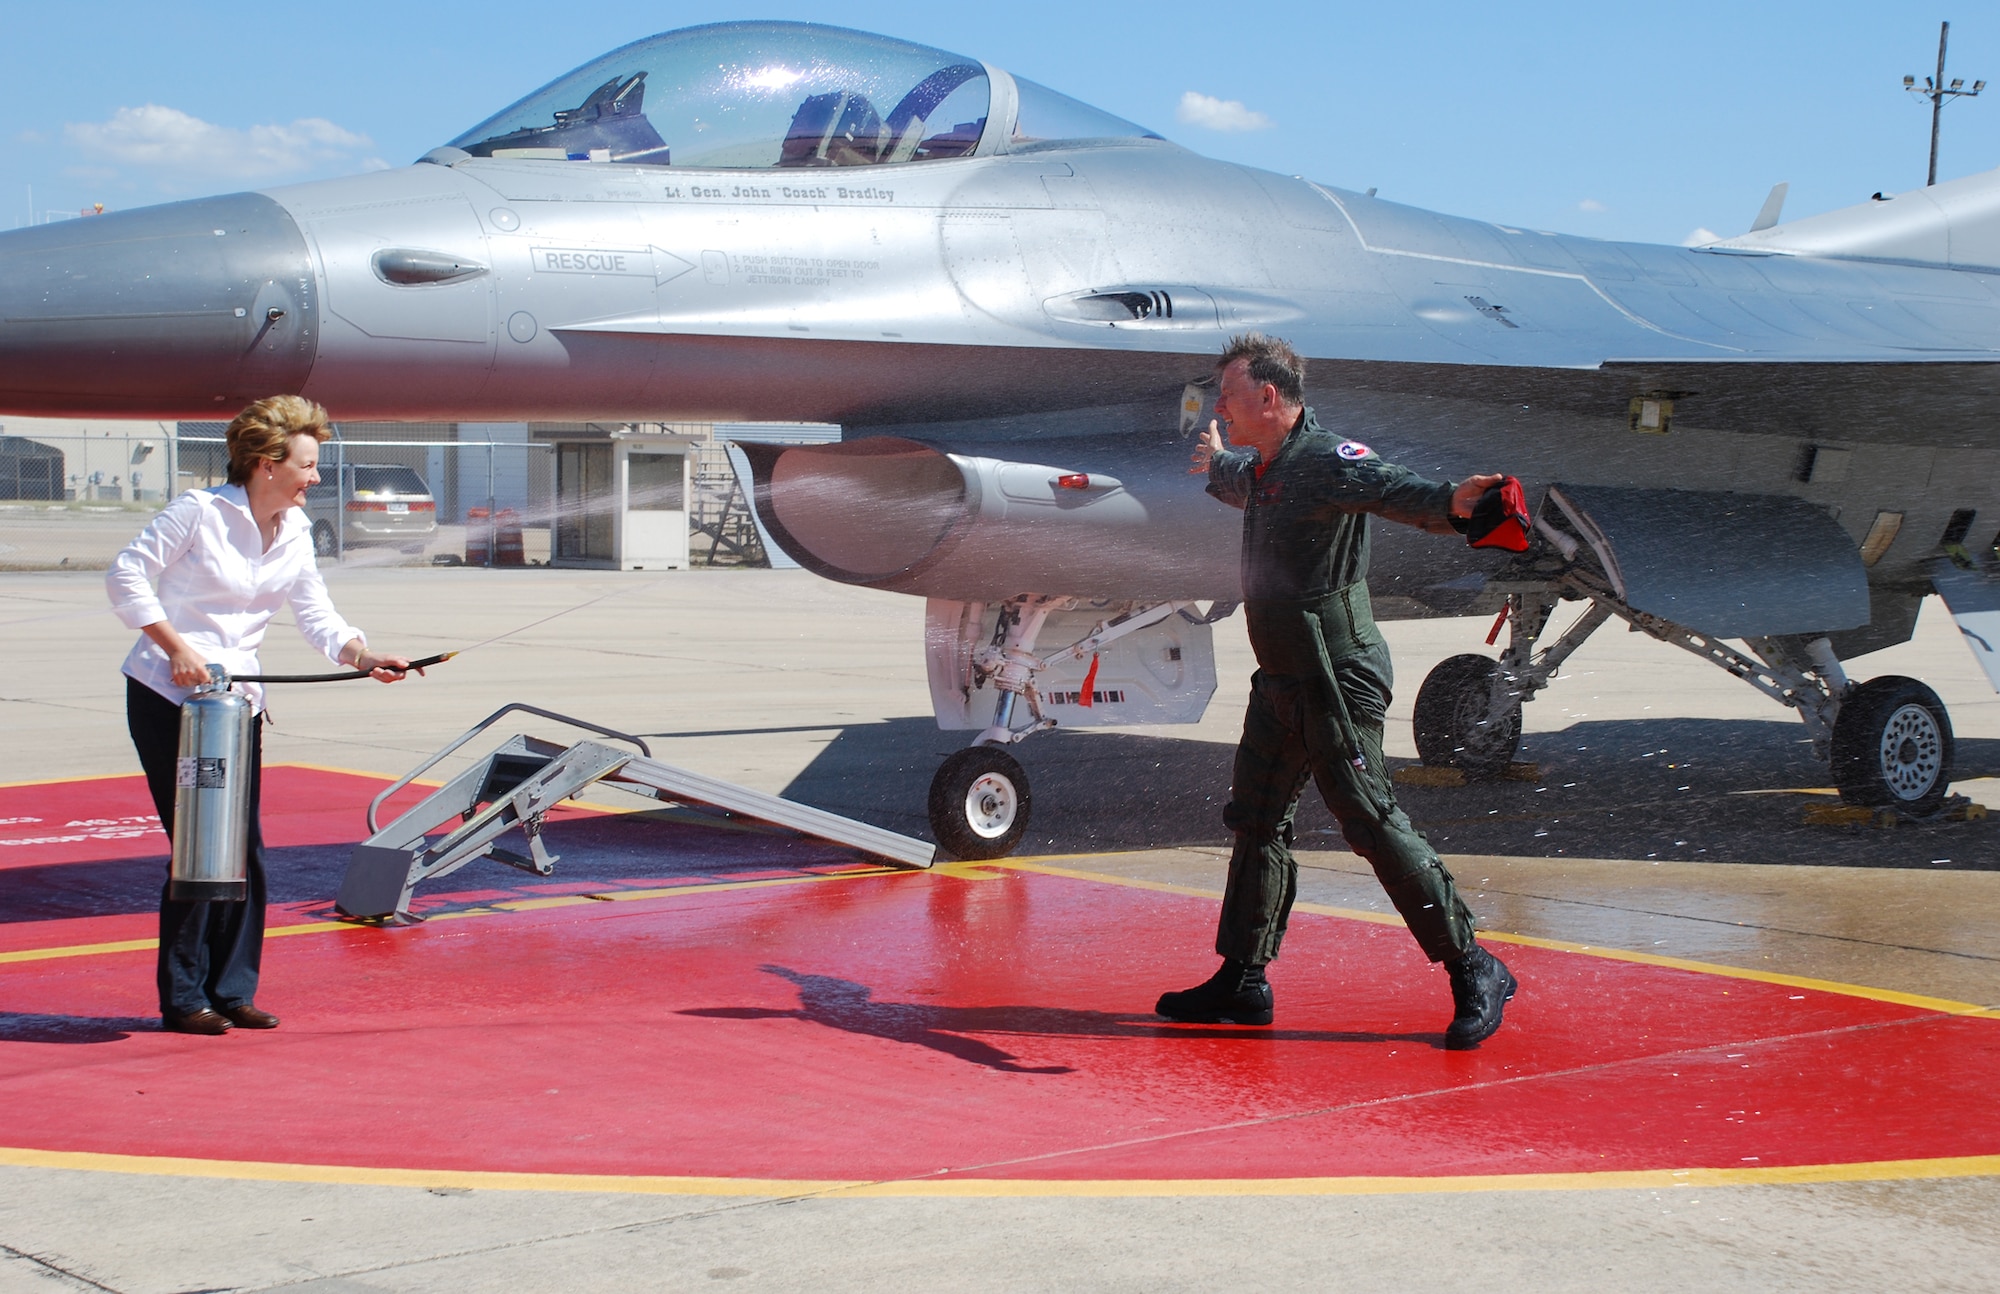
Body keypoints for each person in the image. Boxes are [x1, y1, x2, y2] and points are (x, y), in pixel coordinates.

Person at [1163, 333, 1518, 1049]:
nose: (1220, 404)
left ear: (1269, 397)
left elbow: (1397, 490)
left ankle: (1474, 965)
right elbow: (1248, 485)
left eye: (1230, 393)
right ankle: (1244, 979)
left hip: (1336, 675)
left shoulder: (1329, 460)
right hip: (1284, 677)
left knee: (1368, 817)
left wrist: (1452, 501)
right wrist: (1217, 466)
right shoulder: (1267, 465)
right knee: (1257, 818)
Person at [107, 396, 420, 1036]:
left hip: (235, 702)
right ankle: (185, 996)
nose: (316, 477)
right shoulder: (199, 513)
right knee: (199, 850)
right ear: (265, 463)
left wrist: (362, 656)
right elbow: (126, 577)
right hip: (170, 696)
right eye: (307, 464)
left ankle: (231, 990)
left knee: (242, 848)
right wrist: (178, 649)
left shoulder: (296, 531)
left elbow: (316, 614)